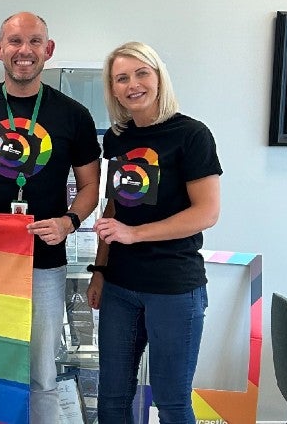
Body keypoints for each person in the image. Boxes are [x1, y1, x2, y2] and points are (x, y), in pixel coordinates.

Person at [0, 12, 101, 424]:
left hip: (43, 262)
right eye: (13, 41)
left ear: (49, 50)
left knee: (41, 371)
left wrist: (68, 222)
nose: (23, 51)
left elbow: (91, 187)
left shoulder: (73, 115)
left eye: (34, 41)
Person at [87, 42, 221, 423]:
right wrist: (99, 270)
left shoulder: (192, 135)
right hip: (119, 288)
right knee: (111, 399)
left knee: (171, 401)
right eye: (122, 78)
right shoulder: (117, 138)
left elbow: (207, 212)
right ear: (113, 89)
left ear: (159, 76)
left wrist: (136, 234)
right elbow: (113, 207)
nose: (133, 84)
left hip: (174, 288)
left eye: (141, 73)